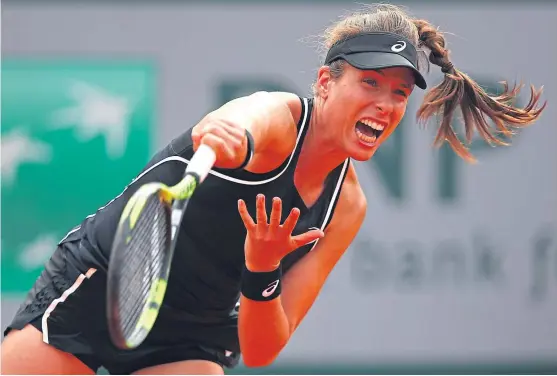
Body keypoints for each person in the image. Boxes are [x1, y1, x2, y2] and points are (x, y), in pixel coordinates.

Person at [1, 4, 545, 375]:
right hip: (106, 282)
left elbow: (262, 348)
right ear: (327, 83)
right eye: (370, 82)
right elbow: (240, 127)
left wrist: (261, 268)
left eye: (399, 93)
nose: (385, 103)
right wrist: (220, 136)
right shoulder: (276, 119)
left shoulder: (346, 207)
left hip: (190, 334)